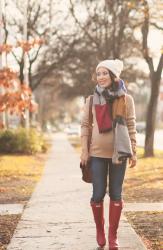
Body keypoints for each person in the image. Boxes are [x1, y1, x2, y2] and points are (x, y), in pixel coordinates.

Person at [80, 59, 137, 249]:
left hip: (119, 154)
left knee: (116, 194)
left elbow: (131, 125)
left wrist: (134, 151)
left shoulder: (126, 99)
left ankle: (112, 236)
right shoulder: (91, 100)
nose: (101, 77)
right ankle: (99, 231)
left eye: (105, 73)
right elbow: (85, 127)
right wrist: (84, 152)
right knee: (97, 195)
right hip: (96, 154)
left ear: (113, 76)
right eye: (99, 74)